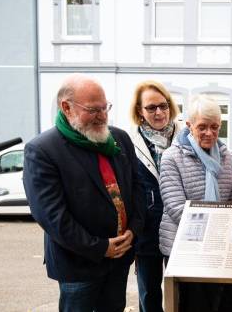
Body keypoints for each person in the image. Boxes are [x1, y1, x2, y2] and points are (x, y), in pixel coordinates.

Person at [23, 74, 145, 312]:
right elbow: (51, 216)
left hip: (120, 257)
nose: (102, 116)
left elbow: (137, 189)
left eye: (105, 108)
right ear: (66, 107)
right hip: (78, 264)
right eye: (93, 110)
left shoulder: (119, 138)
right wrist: (100, 247)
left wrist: (133, 230)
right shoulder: (43, 150)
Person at [158, 94, 232, 312]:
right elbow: (176, 208)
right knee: (194, 306)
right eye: (202, 127)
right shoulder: (171, 157)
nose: (209, 133)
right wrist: (217, 231)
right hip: (185, 249)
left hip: (221, 249)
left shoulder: (224, 155)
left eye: (215, 127)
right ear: (189, 125)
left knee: (227, 301)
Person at [129, 80, 185, 312]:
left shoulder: (186, 138)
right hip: (146, 230)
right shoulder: (129, 143)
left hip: (181, 227)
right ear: (140, 112)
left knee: (181, 294)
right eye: (151, 108)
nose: (159, 112)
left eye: (163, 105)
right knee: (149, 294)